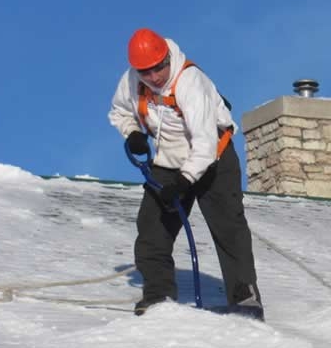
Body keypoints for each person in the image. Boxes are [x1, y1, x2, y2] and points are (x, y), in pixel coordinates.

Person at [108, 28, 263, 319]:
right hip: (168, 161)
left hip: (214, 158)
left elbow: (204, 143)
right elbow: (119, 111)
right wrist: (133, 134)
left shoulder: (191, 82)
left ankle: (245, 300)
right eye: (145, 72)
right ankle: (158, 298)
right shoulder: (132, 81)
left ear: (167, 58)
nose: (153, 77)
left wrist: (183, 182)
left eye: (158, 68)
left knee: (229, 229)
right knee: (151, 228)